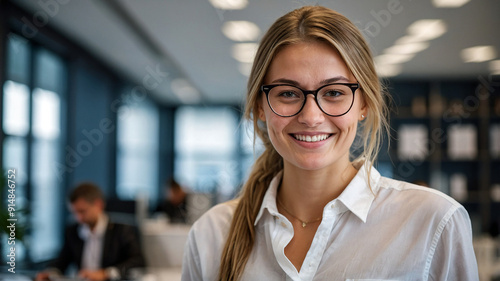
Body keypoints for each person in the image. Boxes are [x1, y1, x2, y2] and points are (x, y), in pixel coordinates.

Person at [182, 6, 479, 281]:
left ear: (363, 103)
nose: (311, 117)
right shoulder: (211, 235)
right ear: (261, 106)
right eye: (287, 93)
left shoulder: (433, 222)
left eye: (334, 93)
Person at [36, 182, 145, 281]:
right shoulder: (73, 230)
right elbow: (62, 261)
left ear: (99, 205)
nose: (78, 218)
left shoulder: (121, 230)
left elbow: (138, 261)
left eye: (82, 211)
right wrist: (51, 272)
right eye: (75, 212)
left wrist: (106, 273)